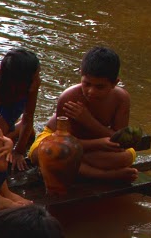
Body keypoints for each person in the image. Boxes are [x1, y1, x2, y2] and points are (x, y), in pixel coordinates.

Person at [54, 45, 138, 182]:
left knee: (126, 156)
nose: (91, 91)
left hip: (90, 150)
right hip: (66, 143)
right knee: (56, 154)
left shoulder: (121, 98)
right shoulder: (68, 98)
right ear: (81, 75)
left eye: (100, 87)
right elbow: (62, 142)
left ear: (114, 83)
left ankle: (85, 168)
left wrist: (88, 121)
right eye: (87, 84)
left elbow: (121, 142)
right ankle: (105, 175)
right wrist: (98, 143)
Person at [0, 48, 40, 171]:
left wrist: (19, 151)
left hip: (13, 102)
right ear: (21, 80)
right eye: (36, 75)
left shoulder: (32, 85)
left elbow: (28, 118)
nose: (38, 80)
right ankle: (19, 131)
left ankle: (19, 129)